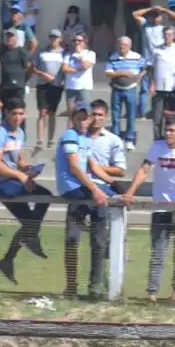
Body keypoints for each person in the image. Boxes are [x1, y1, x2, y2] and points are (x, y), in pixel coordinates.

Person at [124, 116, 175, 303]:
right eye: (166, 130)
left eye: (172, 130)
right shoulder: (157, 146)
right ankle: (152, 292)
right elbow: (144, 170)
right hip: (160, 207)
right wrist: (130, 191)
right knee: (158, 251)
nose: (168, 134)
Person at [55, 101, 111, 298]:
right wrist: (96, 189)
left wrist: (115, 185)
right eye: (79, 118)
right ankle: (72, 286)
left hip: (83, 190)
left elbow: (93, 166)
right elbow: (75, 167)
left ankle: (94, 286)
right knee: (73, 240)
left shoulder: (84, 139)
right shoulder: (70, 136)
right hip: (73, 190)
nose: (83, 122)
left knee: (97, 239)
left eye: (85, 118)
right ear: (73, 119)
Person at [0, 103, 50, 285]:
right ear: (7, 113)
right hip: (0, 183)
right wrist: (21, 176)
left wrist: (29, 169)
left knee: (44, 196)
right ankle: (29, 240)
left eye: (21, 113)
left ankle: (10, 257)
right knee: (30, 221)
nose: (18, 117)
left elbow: (19, 161)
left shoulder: (20, 133)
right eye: (14, 113)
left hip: (13, 180)